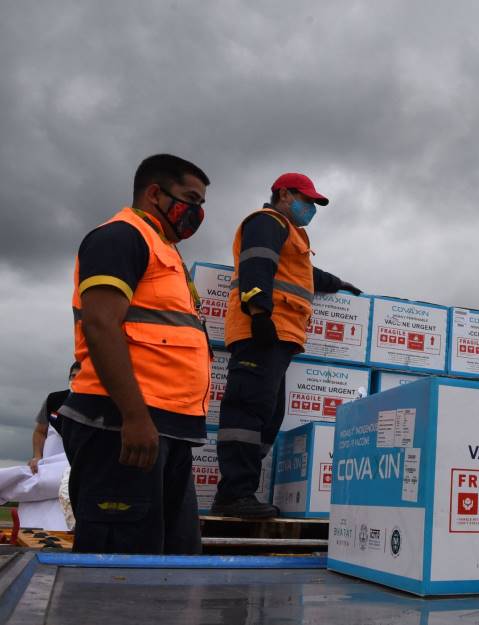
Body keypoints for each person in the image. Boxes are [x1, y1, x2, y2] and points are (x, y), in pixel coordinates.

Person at [58, 154, 211, 553]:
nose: (198, 212)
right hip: (122, 426)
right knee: (121, 567)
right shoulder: (120, 237)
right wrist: (134, 416)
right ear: (154, 193)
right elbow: (101, 324)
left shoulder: (167, 254)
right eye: (191, 198)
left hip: (166, 429)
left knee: (175, 561)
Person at [212, 172, 362, 518]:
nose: (310, 208)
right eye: (306, 200)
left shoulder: (293, 236)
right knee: (247, 410)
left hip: (281, 336)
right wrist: (259, 312)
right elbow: (257, 264)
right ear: (283, 194)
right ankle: (233, 495)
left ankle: (240, 491)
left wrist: (339, 283)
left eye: (313, 203)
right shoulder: (267, 222)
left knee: (269, 414)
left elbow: (306, 274)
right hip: (262, 330)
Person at [30, 362, 79, 473]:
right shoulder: (54, 399)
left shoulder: (97, 404)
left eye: (80, 377)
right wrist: (37, 457)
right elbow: (40, 432)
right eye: (73, 376)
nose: (76, 380)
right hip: (48, 467)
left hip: (76, 467)